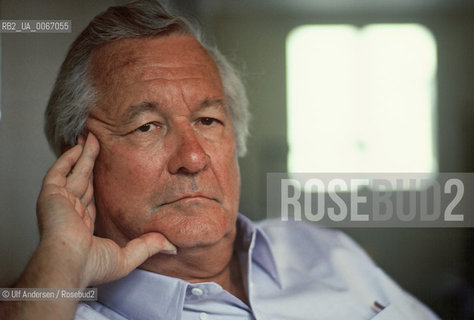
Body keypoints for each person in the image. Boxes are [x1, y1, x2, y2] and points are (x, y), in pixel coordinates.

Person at [0, 1, 439, 319]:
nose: (192, 157)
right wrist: (62, 258)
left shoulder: (323, 249)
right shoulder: (53, 308)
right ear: (80, 161)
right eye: (147, 126)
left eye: (208, 120)